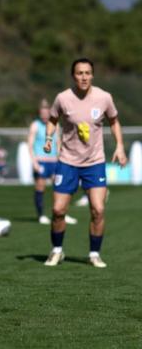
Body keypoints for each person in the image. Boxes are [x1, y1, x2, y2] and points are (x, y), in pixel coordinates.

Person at [43, 57, 127, 268]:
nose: (84, 77)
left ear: (92, 75)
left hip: (94, 162)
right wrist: (48, 138)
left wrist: (119, 146)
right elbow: (52, 120)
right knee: (58, 210)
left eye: (87, 73)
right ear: (73, 76)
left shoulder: (104, 97)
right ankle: (57, 251)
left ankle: (94, 254)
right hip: (67, 161)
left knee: (98, 210)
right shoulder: (62, 98)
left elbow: (114, 121)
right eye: (79, 73)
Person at [27, 99, 77, 225]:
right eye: (42, 113)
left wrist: (63, 158)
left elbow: (59, 142)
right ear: (39, 113)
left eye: (46, 113)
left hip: (55, 161)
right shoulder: (35, 125)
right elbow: (30, 145)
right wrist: (34, 163)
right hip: (41, 161)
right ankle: (41, 216)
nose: (44, 115)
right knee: (40, 187)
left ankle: (62, 214)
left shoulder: (55, 124)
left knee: (61, 188)